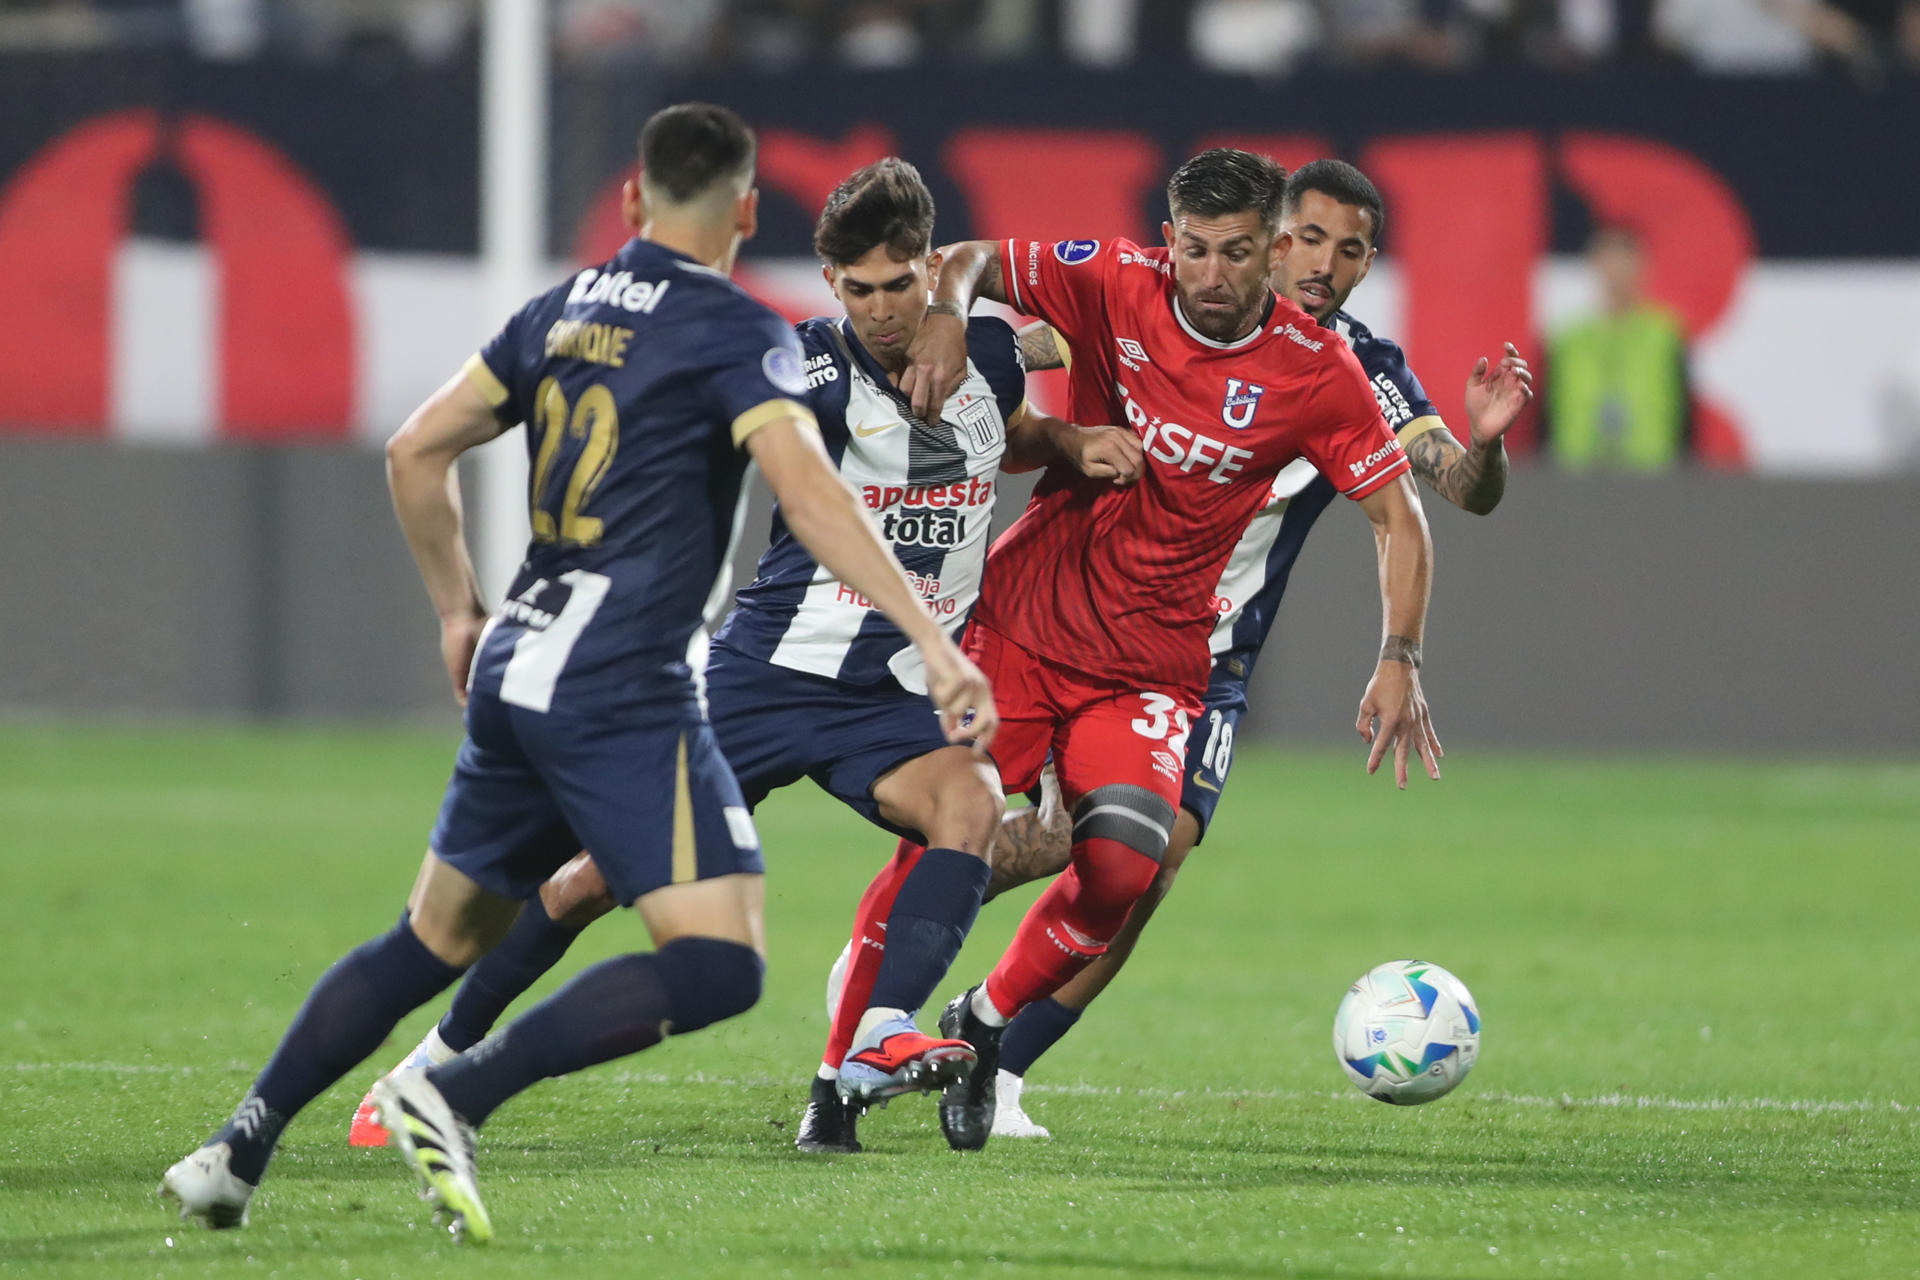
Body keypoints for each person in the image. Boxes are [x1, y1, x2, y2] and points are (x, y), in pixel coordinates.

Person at [158, 105, 995, 1243]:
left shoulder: (559, 310)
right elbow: (810, 497)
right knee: (714, 966)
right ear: (749, 212)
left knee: (429, 937)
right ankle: (451, 1091)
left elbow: (414, 449)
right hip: (625, 677)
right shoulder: (739, 332)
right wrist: (940, 646)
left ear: (629, 204)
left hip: (518, 656)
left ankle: (234, 1148)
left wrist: (458, 608)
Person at [337, 158, 1142, 1151]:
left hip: (889, 693)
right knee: (593, 876)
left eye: (902, 285)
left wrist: (1065, 439)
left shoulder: (988, 352)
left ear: (930, 272)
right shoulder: (800, 369)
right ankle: (432, 1063)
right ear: (828, 281)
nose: (884, 310)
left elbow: (1004, 432)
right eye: (861, 290)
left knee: (968, 804)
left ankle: (881, 1030)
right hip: (765, 673)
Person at [820, 147, 1444, 1155]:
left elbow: (1402, 511)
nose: (1210, 274)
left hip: (1157, 661)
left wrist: (1399, 652)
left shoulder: (1321, 373)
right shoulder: (1115, 281)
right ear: (1169, 242)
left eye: (1236, 253)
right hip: (1024, 628)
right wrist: (946, 313)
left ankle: (986, 1030)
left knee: (1128, 865)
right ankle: (840, 1070)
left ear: (1268, 251)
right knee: (945, 834)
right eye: (1193, 249)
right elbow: (973, 257)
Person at [1544, 224, 1689, 471]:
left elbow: (1686, 418)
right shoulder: (1568, 340)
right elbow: (1545, 415)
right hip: (1575, 478)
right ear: (1594, 263)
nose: (1617, 269)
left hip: (1651, 478)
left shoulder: (1665, 336)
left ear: (1643, 265)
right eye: (1609, 257)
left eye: (1625, 257)